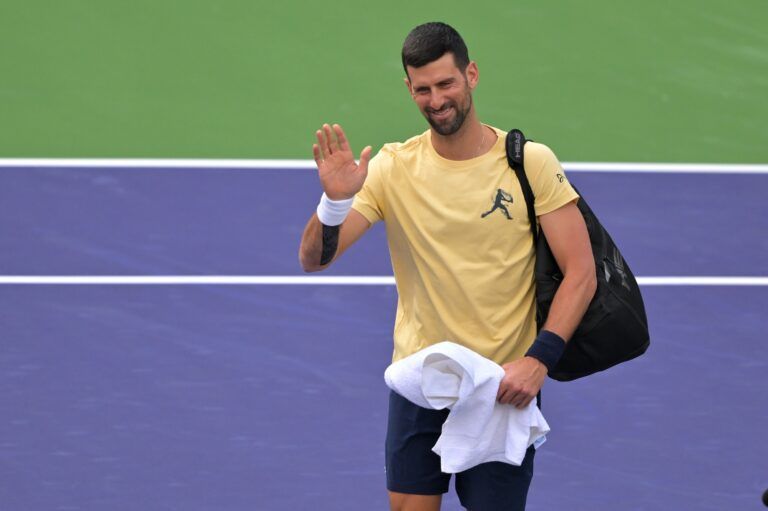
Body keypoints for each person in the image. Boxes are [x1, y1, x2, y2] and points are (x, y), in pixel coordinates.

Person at [299, 22, 596, 511]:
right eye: (423, 89)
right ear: (408, 89)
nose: (436, 100)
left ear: (471, 74)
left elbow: (581, 272)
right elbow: (314, 259)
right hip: (422, 379)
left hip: (504, 387)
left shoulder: (530, 163)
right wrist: (333, 204)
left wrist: (539, 360)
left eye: (446, 84)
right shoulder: (392, 168)